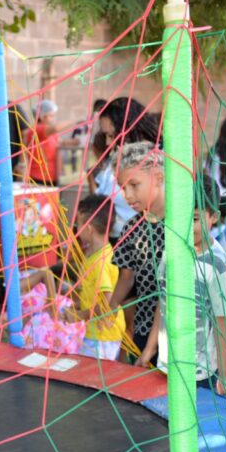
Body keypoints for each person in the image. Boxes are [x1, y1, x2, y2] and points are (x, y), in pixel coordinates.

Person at [135, 175, 226, 393]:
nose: (186, 225)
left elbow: (223, 323)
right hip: (166, 364)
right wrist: (149, 349)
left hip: (200, 373)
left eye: (195, 218)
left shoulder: (219, 266)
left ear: (214, 216)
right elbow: (164, 301)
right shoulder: (172, 250)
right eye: (180, 216)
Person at [108, 141, 167, 355]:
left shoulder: (181, 224)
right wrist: (111, 306)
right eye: (123, 188)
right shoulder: (131, 228)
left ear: (158, 178)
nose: (128, 195)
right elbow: (127, 277)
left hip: (177, 329)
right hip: (144, 327)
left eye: (134, 185)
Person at [94, 97, 161, 237]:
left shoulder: (158, 163)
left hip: (144, 242)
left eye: (111, 135)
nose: (107, 143)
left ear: (130, 129)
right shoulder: (115, 161)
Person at [71, 194, 126, 360]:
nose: (76, 229)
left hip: (103, 336)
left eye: (78, 224)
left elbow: (107, 303)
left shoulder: (100, 262)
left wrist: (79, 315)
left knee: (91, 372)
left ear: (88, 228)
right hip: (99, 333)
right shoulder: (94, 254)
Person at [23, 100, 63, 186]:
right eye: (51, 116)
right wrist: (75, 122)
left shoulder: (50, 133)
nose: (53, 118)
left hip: (52, 176)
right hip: (39, 177)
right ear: (42, 117)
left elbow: (60, 143)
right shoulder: (37, 129)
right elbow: (55, 128)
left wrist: (76, 141)